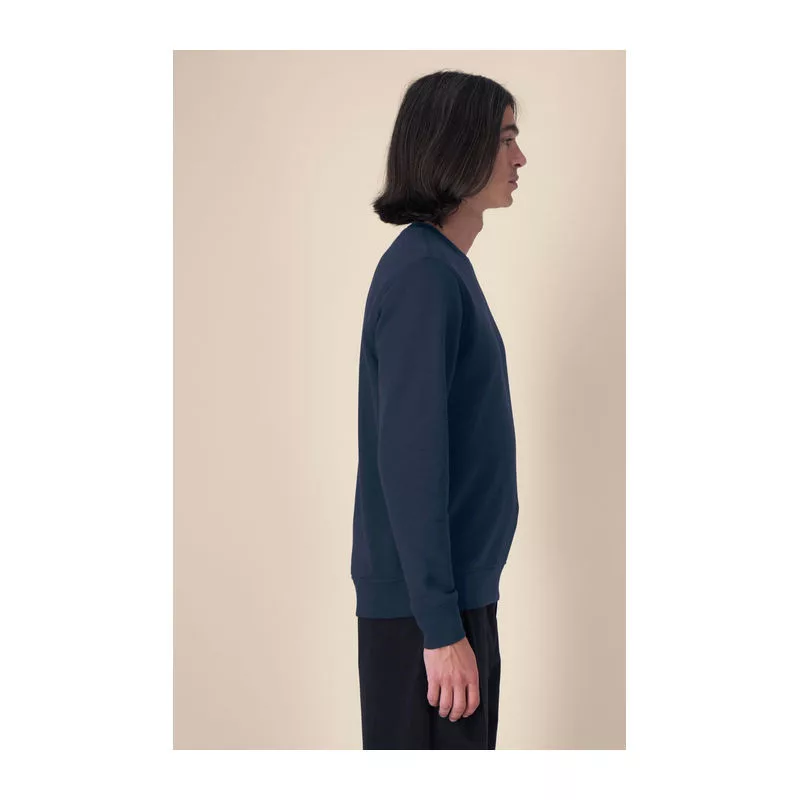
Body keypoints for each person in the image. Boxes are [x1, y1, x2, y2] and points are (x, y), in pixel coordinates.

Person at [351, 69, 526, 749]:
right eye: (505, 138)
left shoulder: (441, 268)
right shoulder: (425, 275)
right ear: (458, 145)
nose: (519, 157)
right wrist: (441, 626)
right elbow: (411, 459)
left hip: (446, 602)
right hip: (430, 616)